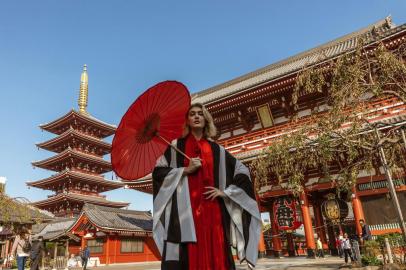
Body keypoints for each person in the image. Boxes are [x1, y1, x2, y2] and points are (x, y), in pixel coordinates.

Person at [152, 103, 261, 270]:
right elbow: (158, 173)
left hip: (213, 211)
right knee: (188, 253)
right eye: (192, 114)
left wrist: (226, 192)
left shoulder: (218, 150)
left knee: (216, 249)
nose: (196, 116)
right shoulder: (175, 147)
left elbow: (242, 171)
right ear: (187, 121)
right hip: (185, 215)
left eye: (200, 114)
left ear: (206, 120)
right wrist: (185, 170)